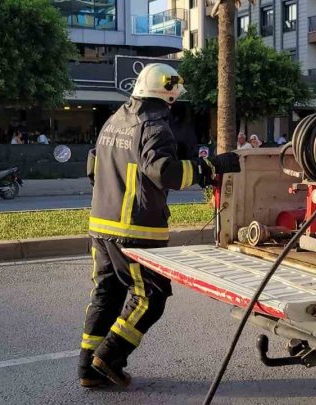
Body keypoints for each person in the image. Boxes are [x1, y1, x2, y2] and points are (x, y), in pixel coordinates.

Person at [79, 63, 240, 389]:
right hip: (134, 230)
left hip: (100, 224)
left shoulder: (115, 119)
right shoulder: (154, 126)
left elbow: (92, 168)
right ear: (168, 95)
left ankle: (87, 369)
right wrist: (210, 167)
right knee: (151, 295)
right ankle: (109, 357)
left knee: (106, 294)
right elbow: (165, 173)